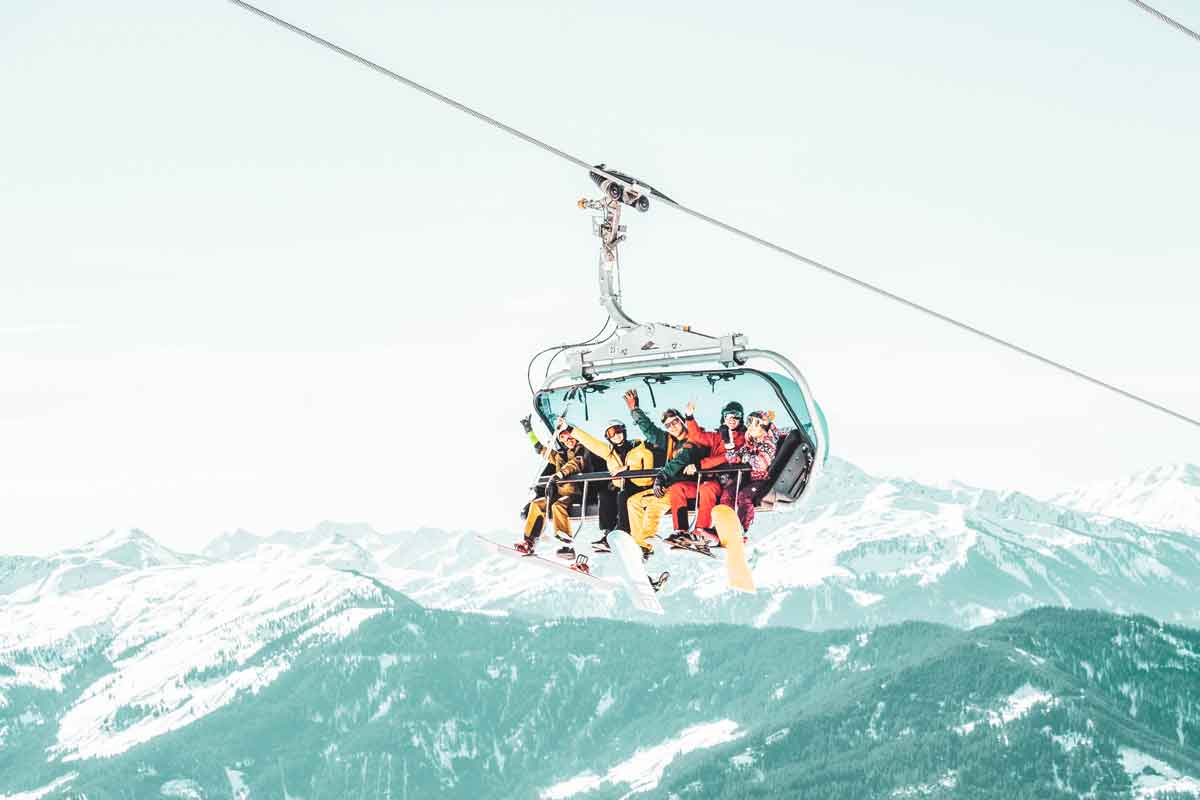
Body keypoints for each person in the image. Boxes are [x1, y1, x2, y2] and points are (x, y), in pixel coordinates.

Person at [558, 415, 656, 553]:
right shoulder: (610, 453)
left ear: (624, 431)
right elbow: (591, 442)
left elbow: (648, 478)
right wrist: (569, 429)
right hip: (621, 487)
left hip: (640, 488)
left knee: (623, 495)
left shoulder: (643, 451)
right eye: (611, 434)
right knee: (606, 495)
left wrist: (627, 469)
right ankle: (608, 534)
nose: (615, 436)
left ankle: (622, 531)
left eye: (618, 431)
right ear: (608, 438)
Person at [625, 399, 707, 558]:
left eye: (675, 422)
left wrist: (661, 478)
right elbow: (650, 431)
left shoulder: (695, 437)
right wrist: (635, 410)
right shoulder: (670, 441)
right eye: (668, 425)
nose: (673, 427)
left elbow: (682, 458)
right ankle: (641, 544)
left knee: (656, 503)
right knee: (633, 502)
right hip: (671, 485)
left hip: (687, 486)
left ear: (682, 421)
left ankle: (648, 535)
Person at [666, 400, 747, 543]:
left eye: (736, 416)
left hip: (726, 483)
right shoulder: (717, 436)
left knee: (707, 488)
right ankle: (681, 531)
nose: (732, 420)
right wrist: (689, 417)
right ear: (723, 418)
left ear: (741, 419)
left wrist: (698, 465)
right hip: (710, 479)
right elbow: (697, 436)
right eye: (728, 416)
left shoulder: (742, 438)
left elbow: (725, 458)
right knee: (677, 489)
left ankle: (700, 532)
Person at [516, 416, 587, 557]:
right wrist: (530, 431)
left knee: (557, 506)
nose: (568, 441)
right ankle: (528, 542)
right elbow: (541, 450)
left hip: (576, 494)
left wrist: (558, 475)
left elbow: (574, 464)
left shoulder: (583, 451)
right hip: (560, 494)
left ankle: (566, 545)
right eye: (564, 439)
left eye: (570, 437)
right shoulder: (560, 456)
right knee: (536, 505)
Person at [722, 410, 781, 532]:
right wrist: (729, 445)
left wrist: (747, 457)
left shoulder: (768, 443)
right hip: (750, 479)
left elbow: (761, 464)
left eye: (754, 422)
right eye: (749, 421)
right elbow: (733, 459)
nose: (750, 426)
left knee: (744, 496)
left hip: (764, 481)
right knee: (728, 492)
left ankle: (741, 528)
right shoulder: (750, 444)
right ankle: (726, 525)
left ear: (762, 426)